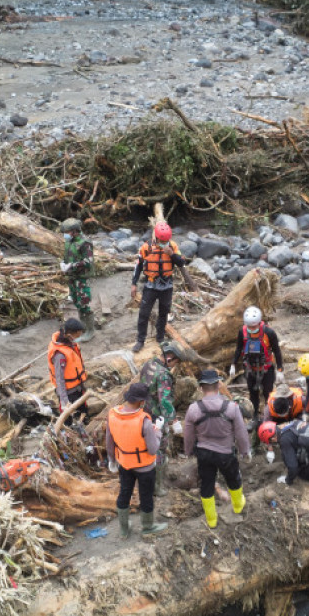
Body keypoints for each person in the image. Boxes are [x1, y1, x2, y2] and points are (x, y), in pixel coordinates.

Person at [183, 369, 251, 528]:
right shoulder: (231, 407)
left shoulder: (193, 408)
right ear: (219, 385)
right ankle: (238, 506)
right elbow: (241, 432)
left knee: (207, 484)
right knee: (233, 479)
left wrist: (188, 451)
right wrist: (245, 451)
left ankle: (212, 520)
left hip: (204, 454)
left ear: (201, 387)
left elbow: (188, 434)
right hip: (226, 453)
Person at [106, 382, 167, 538]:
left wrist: (112, 460)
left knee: (124, 493)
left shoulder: (112, 415)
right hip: (145, 467)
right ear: (141, 402)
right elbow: (153, 449)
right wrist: (158, 431)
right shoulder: (145, 422)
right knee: (146, 496)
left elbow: (109, 441)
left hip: (124, 464)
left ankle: (124, 529)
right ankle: (147, 526)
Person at [131, 221, 198, 352]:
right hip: (151, 285)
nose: (164, 242)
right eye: (162, 240)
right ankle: (140, 340)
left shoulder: (172, 246)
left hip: (166, 286)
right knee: (144, 313)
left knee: (163, 313)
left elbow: (181, 262)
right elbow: (138, 266)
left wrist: (171, 254)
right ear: (156, 237)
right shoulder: (146, 247)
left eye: (166, 240)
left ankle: (160, 338)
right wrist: (134, 284)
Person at [139, 340, 183, 490]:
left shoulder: (148, 364)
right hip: (157, 417)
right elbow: (164, 400)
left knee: (146, 446)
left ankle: (147, 479)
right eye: (176, 361)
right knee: (159, 448)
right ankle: (157, 486)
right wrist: (174, 420)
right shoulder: (164, 375)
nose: (175, 365)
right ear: (170, 357)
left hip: (143, 413)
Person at [229, 306, 284, 420]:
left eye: (253, 326)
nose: (251, 328)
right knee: (253, 393)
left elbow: (277, 351)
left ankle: (270, 416)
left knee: (268, 393)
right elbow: (239, 348)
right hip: (250, 368)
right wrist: (233, 364)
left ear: (259, 323)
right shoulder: (242, 332)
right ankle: (255, 416)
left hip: (266, 368)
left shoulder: (269, 333)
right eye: (249, 326)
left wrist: (280, 370)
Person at [59, 218, 95, 342]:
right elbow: (68, 256)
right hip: (72, 277)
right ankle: (83, 328)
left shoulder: (85, 243)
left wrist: (72, 266)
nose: (65, 234)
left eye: (67, 231)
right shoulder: (69, 242)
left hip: (82, 278)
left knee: (84, 303)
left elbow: (88, 262)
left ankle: (90, 331)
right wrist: (63, 264)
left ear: (74, 231)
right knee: (76, 301)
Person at [47, 318, 88, 423]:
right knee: (70, 420)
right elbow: (59, 379)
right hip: (69, 393)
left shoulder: (68, 343)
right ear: (71, 334)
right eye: (78, 335)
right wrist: (64, 401)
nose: (78, 337)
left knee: (83, 412)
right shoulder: (60, 355)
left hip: (78, 388)